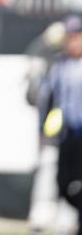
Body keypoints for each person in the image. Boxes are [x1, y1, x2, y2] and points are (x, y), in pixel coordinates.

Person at [37, 15, 82, 234]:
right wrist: (42, 130)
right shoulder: (58, 65)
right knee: (63, 182)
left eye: (77, 37)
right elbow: (46, 99)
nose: (73, 42)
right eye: (70, 37)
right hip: (67, 133)